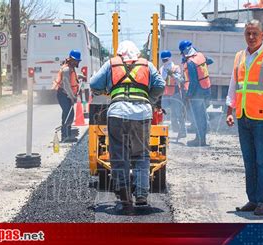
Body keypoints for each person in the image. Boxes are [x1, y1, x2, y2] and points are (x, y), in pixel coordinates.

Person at [90, 40, 165, 212]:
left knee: (119, 156)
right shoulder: (147, 65)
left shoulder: (111, 64)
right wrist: (150, 100)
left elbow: (94, 84)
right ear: (137, 54)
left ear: (119, 54)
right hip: (142, 114)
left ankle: (124, 198)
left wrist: (106, 90)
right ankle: (141, 195)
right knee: (141, 154)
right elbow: (160, 85)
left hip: (117, 113)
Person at [226, 20, 263, 216]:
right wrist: (229, 109)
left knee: (262, 161)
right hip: (243, 116)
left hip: (262, 119)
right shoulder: (239, 57)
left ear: (262, 35)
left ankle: (262, 201)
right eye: (248, 33)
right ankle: (252, 199)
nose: (251, 37)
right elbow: (234, 84)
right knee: (248, 161)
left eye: (255, 34)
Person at [180, 40, 213, 146]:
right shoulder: (200, 56)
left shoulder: (190, 63)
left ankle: (199, 140)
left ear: (185, 51)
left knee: (198, 117)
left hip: (197, 93)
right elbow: (210, 61)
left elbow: (193, 82)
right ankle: (202, 139)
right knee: (202, 116)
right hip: (206, 90)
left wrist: (188, 95)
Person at [52, 50, 83, 142]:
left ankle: (68, 135)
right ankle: (64, 136)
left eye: (78, 61)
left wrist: (81, 76)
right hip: (63, 94)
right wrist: (72, 96)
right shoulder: (66, 69)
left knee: (70, 114)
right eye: (76, 61)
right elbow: (66, 84)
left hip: (67, 94)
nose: (77, 62)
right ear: (71, 60)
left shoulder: (71, 68)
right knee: (67, 114)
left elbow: (73, 78)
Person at [159, 50, 186, 138]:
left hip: (175, 94)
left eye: (166, 60)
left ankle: (182, 131)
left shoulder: (176, 67)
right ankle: (162, 131)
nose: (165, 62)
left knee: (178, 114)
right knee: (162, 112)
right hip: (165, 94)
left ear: (170, 59)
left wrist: (172, 74)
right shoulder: (161, 69)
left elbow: (180, 80)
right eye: (163, 60)